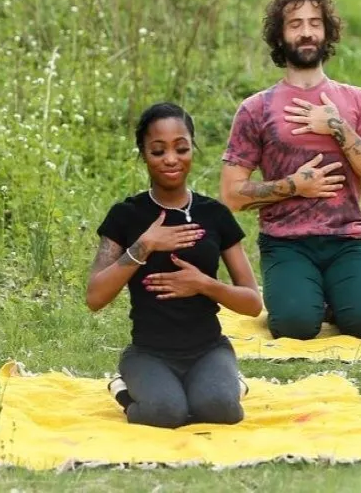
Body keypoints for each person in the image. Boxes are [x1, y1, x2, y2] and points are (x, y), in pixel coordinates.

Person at [219, 0, 361, 342]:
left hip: (347, 239)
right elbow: (232, 196)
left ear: (327, 31)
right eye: (295, 23)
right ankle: (308, 295)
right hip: (286, 242)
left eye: (315, 22)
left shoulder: (357, 100)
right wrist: (294, 186)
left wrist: (336, 127)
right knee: (295, 326)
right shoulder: (256, 108)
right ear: (280, 36)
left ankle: (333, 295)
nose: (306, 31)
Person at [86, 102, 262, 429]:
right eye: (158, 150)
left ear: (192, 148)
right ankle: (125, 390)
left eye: (181, 148)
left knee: (221, 409)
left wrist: (204, 285)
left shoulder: (215, 215)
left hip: (208, 350)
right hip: (149, 352)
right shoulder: (126, 216)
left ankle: (225, 383)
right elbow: (95, 297)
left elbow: (253, 304)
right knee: (166, 413)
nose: (171, 159)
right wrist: (144, 245)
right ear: (143, 153)